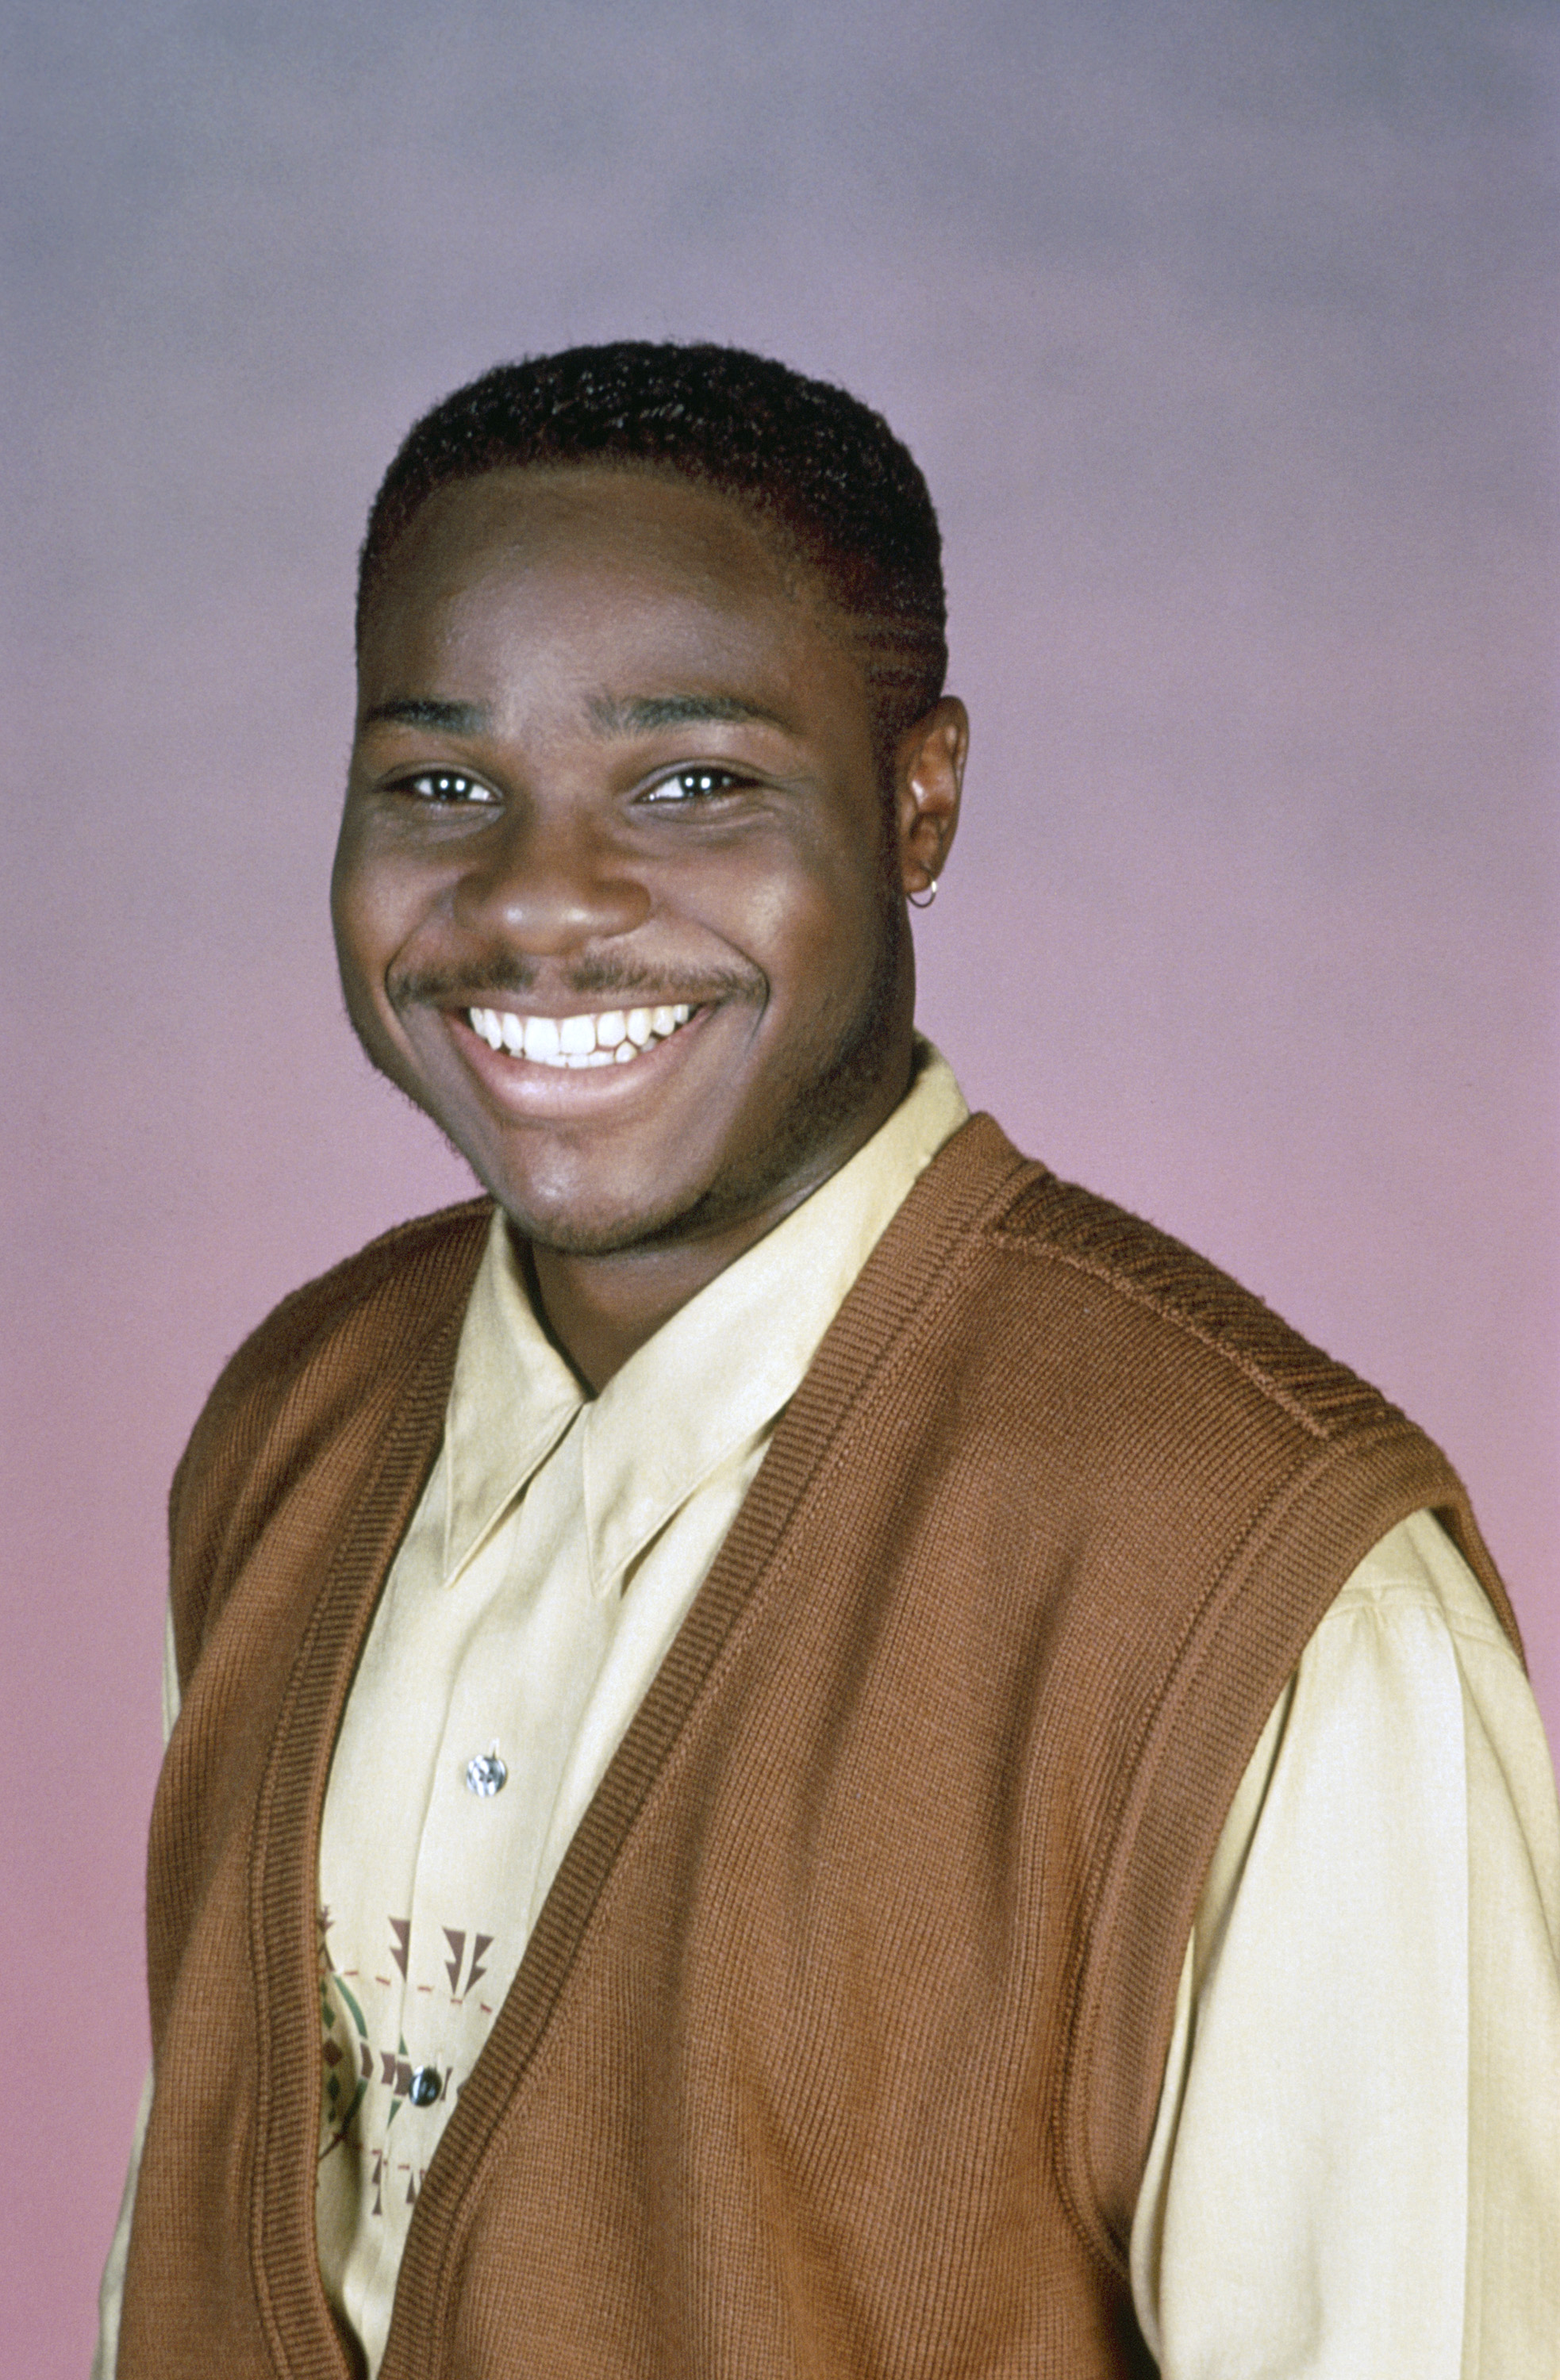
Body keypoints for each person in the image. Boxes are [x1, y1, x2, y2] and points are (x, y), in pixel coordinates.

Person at [98, 342, 1559, 2379]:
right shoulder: (289, 1430)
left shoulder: (1262, 1590)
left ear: (917, 801)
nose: (538, 901)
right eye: (440, 782)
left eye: (691, 783)